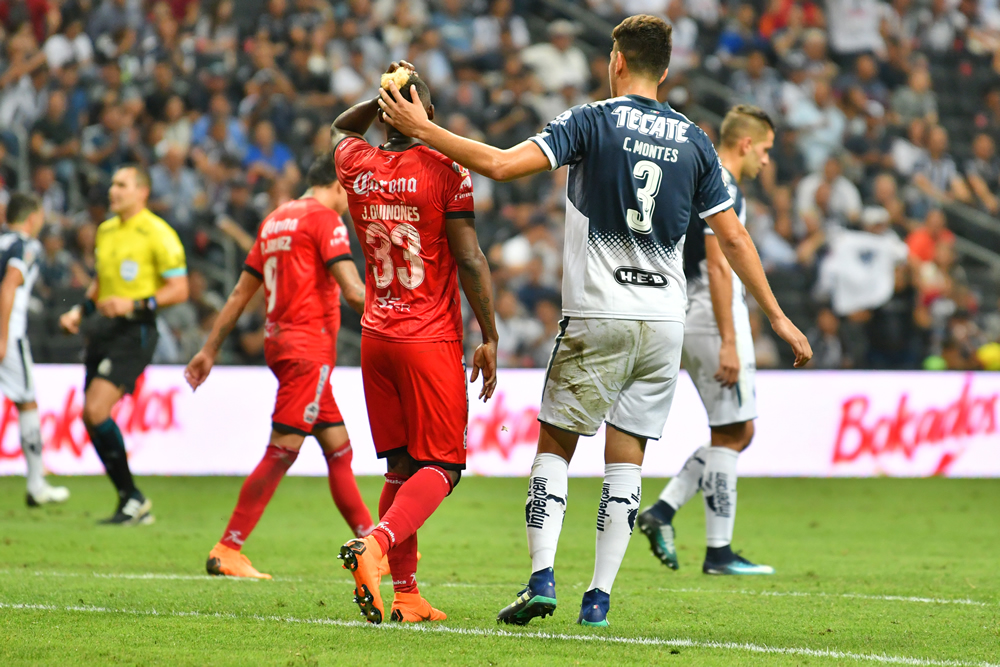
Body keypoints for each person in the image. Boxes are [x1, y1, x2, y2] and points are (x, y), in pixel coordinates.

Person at [378, 14, 812, 628]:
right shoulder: (694, 139)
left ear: (615, 61)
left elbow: (501, 165)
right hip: (664, 322)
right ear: (664, 71)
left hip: (598, 312)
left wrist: (425, 129)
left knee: (555, 444)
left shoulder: (590, 120)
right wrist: (778, 316)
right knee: (626, 459)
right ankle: (599, 598)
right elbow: (734, 237)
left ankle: (541, 578)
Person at [331, 61, 499, 625]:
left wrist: (381, 96)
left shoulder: (355, 162)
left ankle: (405, 595)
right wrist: (491, 333)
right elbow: (470, 258)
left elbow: (340, 128)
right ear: (424, 111)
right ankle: (375, 547)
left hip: (374, 335)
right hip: (427, 337)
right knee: (444, 466)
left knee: (401, 468)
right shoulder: (445, 165)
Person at [185, 153, 375, 579]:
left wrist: (210, 349)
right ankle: (228, 547)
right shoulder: (326, 220)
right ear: (339, 185)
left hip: (280, 343)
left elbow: (239, 293)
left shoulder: (275, 220)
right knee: (282, 451)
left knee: (338, 449)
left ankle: (374, 544)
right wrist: (402, 309)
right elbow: (352, 291)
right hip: (309, 349)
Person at [636, 105, 777, 576]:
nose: (767, 161)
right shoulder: (725, 186)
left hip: (689, 309)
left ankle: (664, 512)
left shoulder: (698, 175)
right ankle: (717, 551)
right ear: (745, 144)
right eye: (765, 150)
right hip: (710, 314)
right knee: (734, 431)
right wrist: (730, 340)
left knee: (736, 432)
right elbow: (719, 264)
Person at [58, 165, 189, 525]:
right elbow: (102, 281)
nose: (113, 190)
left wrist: (134, 304)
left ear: (142, 192)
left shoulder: (158, 233)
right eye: (113, 184)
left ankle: (133, 497)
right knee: (90, 415)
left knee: (96, 410)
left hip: (135, 330)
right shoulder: (106, 231)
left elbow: (179, 289)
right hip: (102, 328)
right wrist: (79, 313)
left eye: (122, 184)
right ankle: (130, 499)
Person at [0, 194, 69, 506]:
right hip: (9, 334)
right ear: (32, 217)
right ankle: (36, 485)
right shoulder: (28, 245)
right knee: (27, 401)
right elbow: (9, 285)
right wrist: (2, 337)